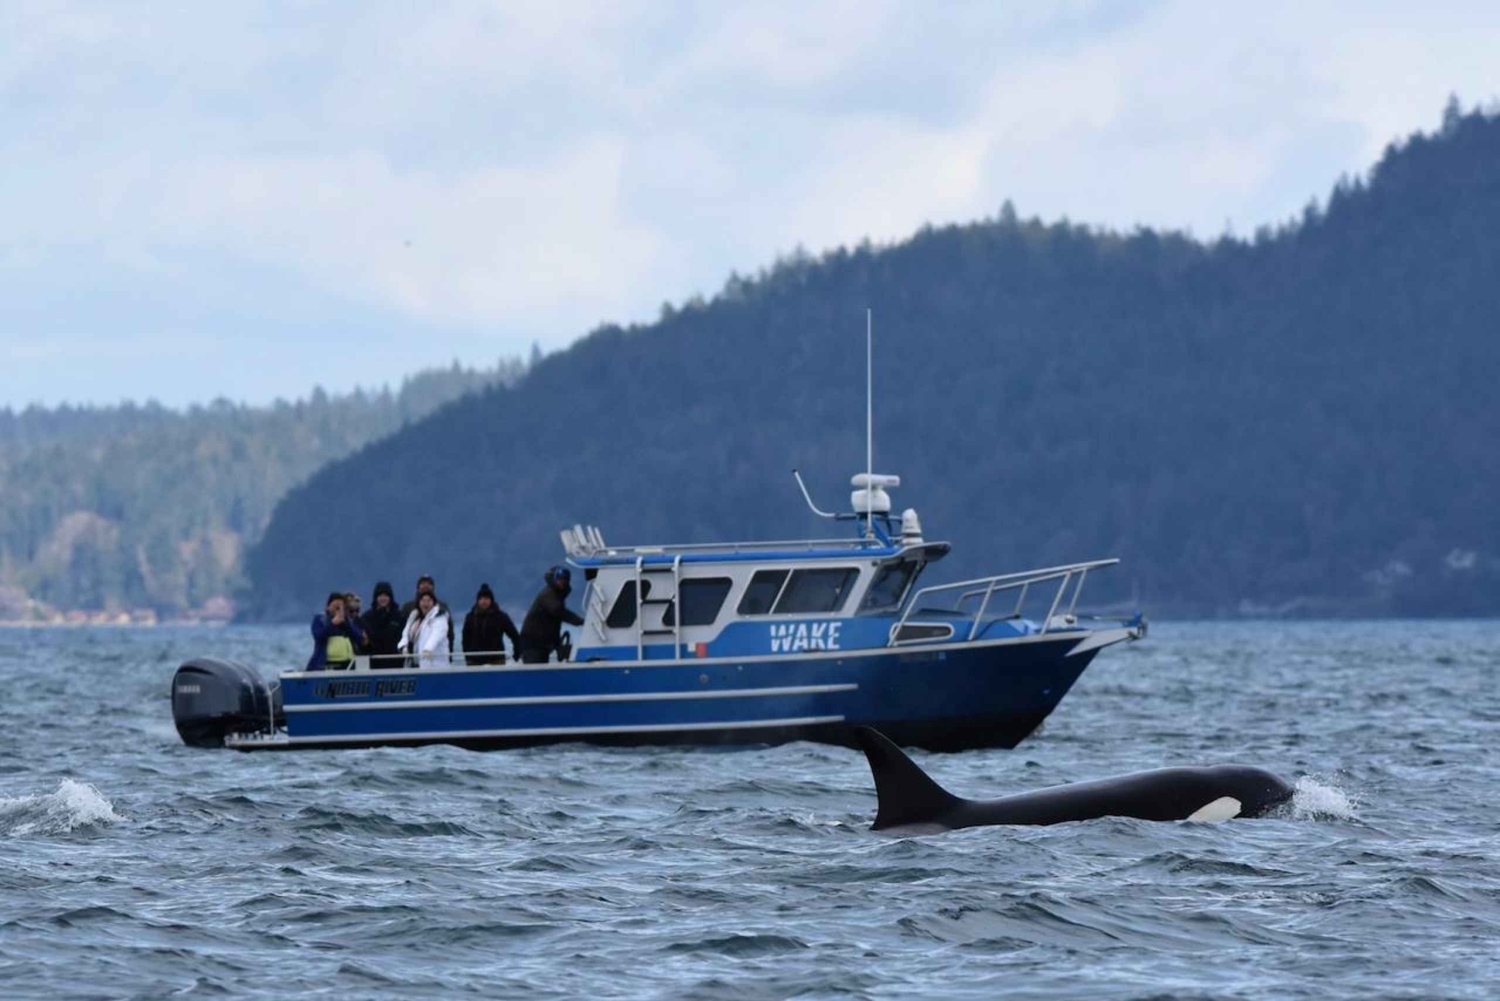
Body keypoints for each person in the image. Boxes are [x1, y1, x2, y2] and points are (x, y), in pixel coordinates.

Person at [518, 566, 585, 664]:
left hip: (542, 644)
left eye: (565, 579)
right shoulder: (548, 595)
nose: (562, 581)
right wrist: (582, 621)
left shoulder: (556, 596)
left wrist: (557, 644)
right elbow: (558, 611)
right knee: (535, 672)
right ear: (553, 579)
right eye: (560, 578)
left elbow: (552, 624)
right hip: (532, 645)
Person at [462, 582, 520, 666]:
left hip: (496, 661)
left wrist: (516, 655)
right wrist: (467, 657)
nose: (483, 601)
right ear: (477, 600)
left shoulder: (501, 616)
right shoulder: (470, 617)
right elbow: (465, 639)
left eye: (486, 598)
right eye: (481, 598)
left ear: (491, 600)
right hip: (474, 661)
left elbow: (515, 636)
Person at [308, 592, 366, 671]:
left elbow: (359, 638)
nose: (337, 610)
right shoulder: (320, 619)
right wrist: (332, 624)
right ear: (328, 607)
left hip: (348, 664)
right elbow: (318, 636)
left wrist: (345, 624)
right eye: (335, 606)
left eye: (340, 607)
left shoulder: (346, 621)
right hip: (326, 664)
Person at [401, 574, 454, 652]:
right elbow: (403, 630)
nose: (425, 586)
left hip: (436, 653)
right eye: (422, 584)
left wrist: (450, 652)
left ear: (433, 587)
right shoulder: (408, 608)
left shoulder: (442, 607)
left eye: (429, 584)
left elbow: (449, 631)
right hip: (412, 654)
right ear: (418, 588)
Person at [398, 591, 450, 668]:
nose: (425, 603)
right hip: (414, 663)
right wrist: (403, 646)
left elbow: (437, 634)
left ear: (433, 603)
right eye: (423, 600)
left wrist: (428, 649)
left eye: (429, 600)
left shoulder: (439, 617)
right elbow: (406, 633)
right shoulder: (414, 616)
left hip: (434, 665)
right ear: (419, 603)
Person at [360, 581, 405, 668]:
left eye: (386, 595)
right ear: (376, 598)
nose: (383, 598)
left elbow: (403, 638)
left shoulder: (399, 616)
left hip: (395, 663)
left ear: (390, 597)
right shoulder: (366, 617)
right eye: (380, 595)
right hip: (373, 663)